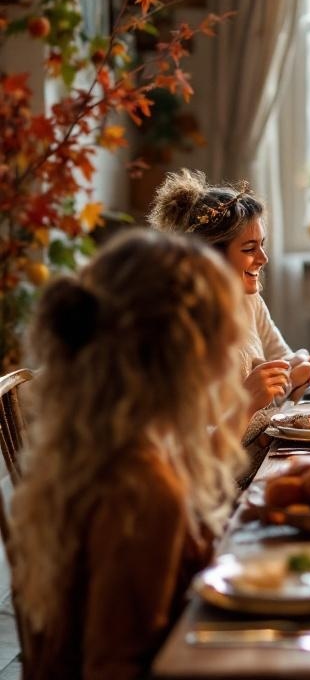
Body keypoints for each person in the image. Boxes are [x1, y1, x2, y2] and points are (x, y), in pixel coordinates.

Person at [11, 229, 250, 680]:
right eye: (225, 320)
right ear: (183, 346)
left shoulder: (107, 452)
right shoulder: (142, 490)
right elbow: (114, 666)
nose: (235, 335)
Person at [148, 170, 310, 473]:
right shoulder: (173, 332)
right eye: (249, 249)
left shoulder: (248, 300)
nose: (264, 258)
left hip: (259, 464)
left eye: (262, 244)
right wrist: (247, 402)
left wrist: (296, 369)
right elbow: (188, 462)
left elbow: (279, 366)